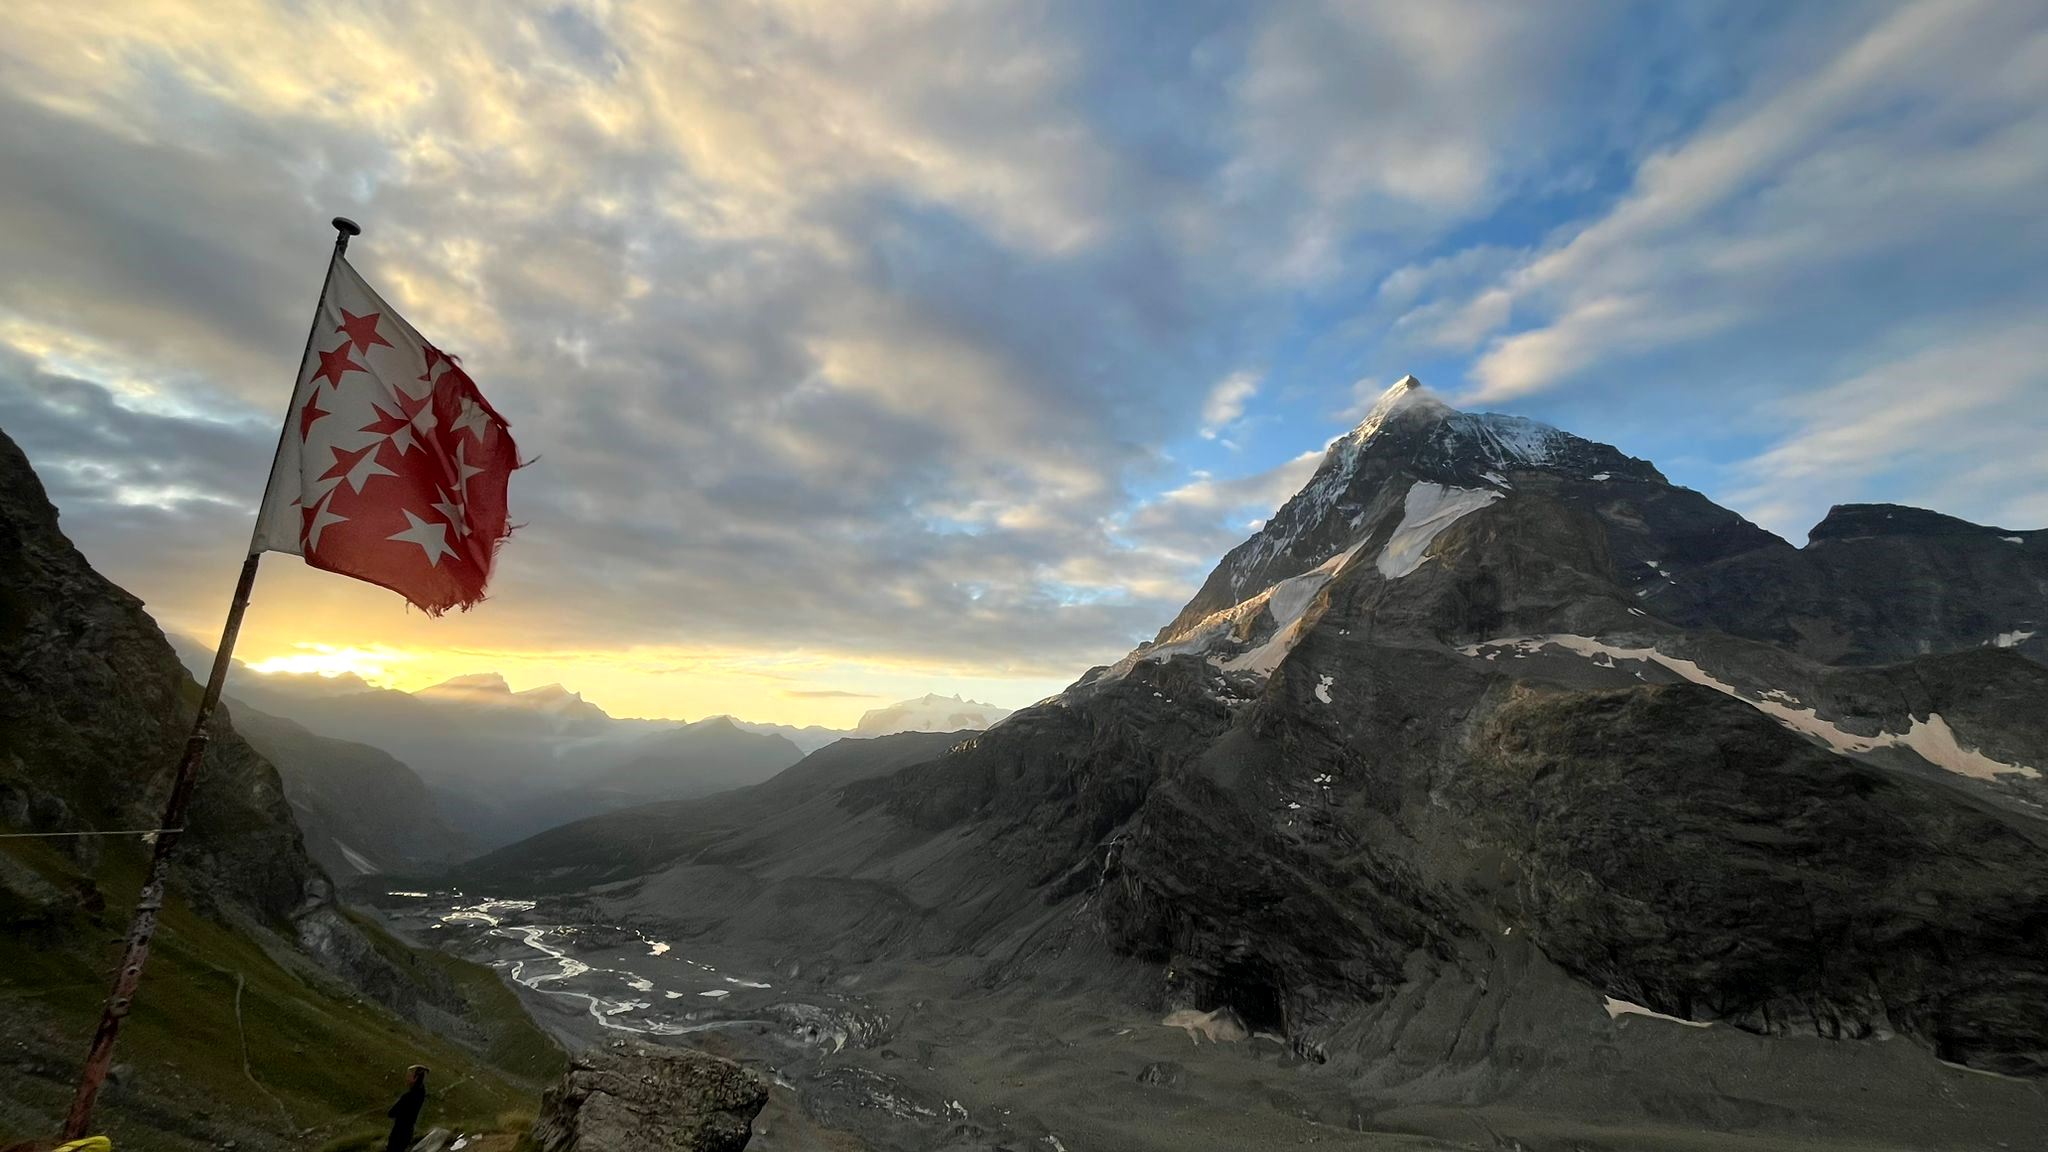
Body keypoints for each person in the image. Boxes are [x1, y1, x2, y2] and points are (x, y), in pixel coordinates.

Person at [385, 1065, 428, 1152]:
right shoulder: (421, 1093)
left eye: (409, 1076)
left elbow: (391, 1113)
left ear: (415, 1078)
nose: (407, 1078)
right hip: (408, 1132)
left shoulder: (408, 1097)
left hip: (399, 1133)